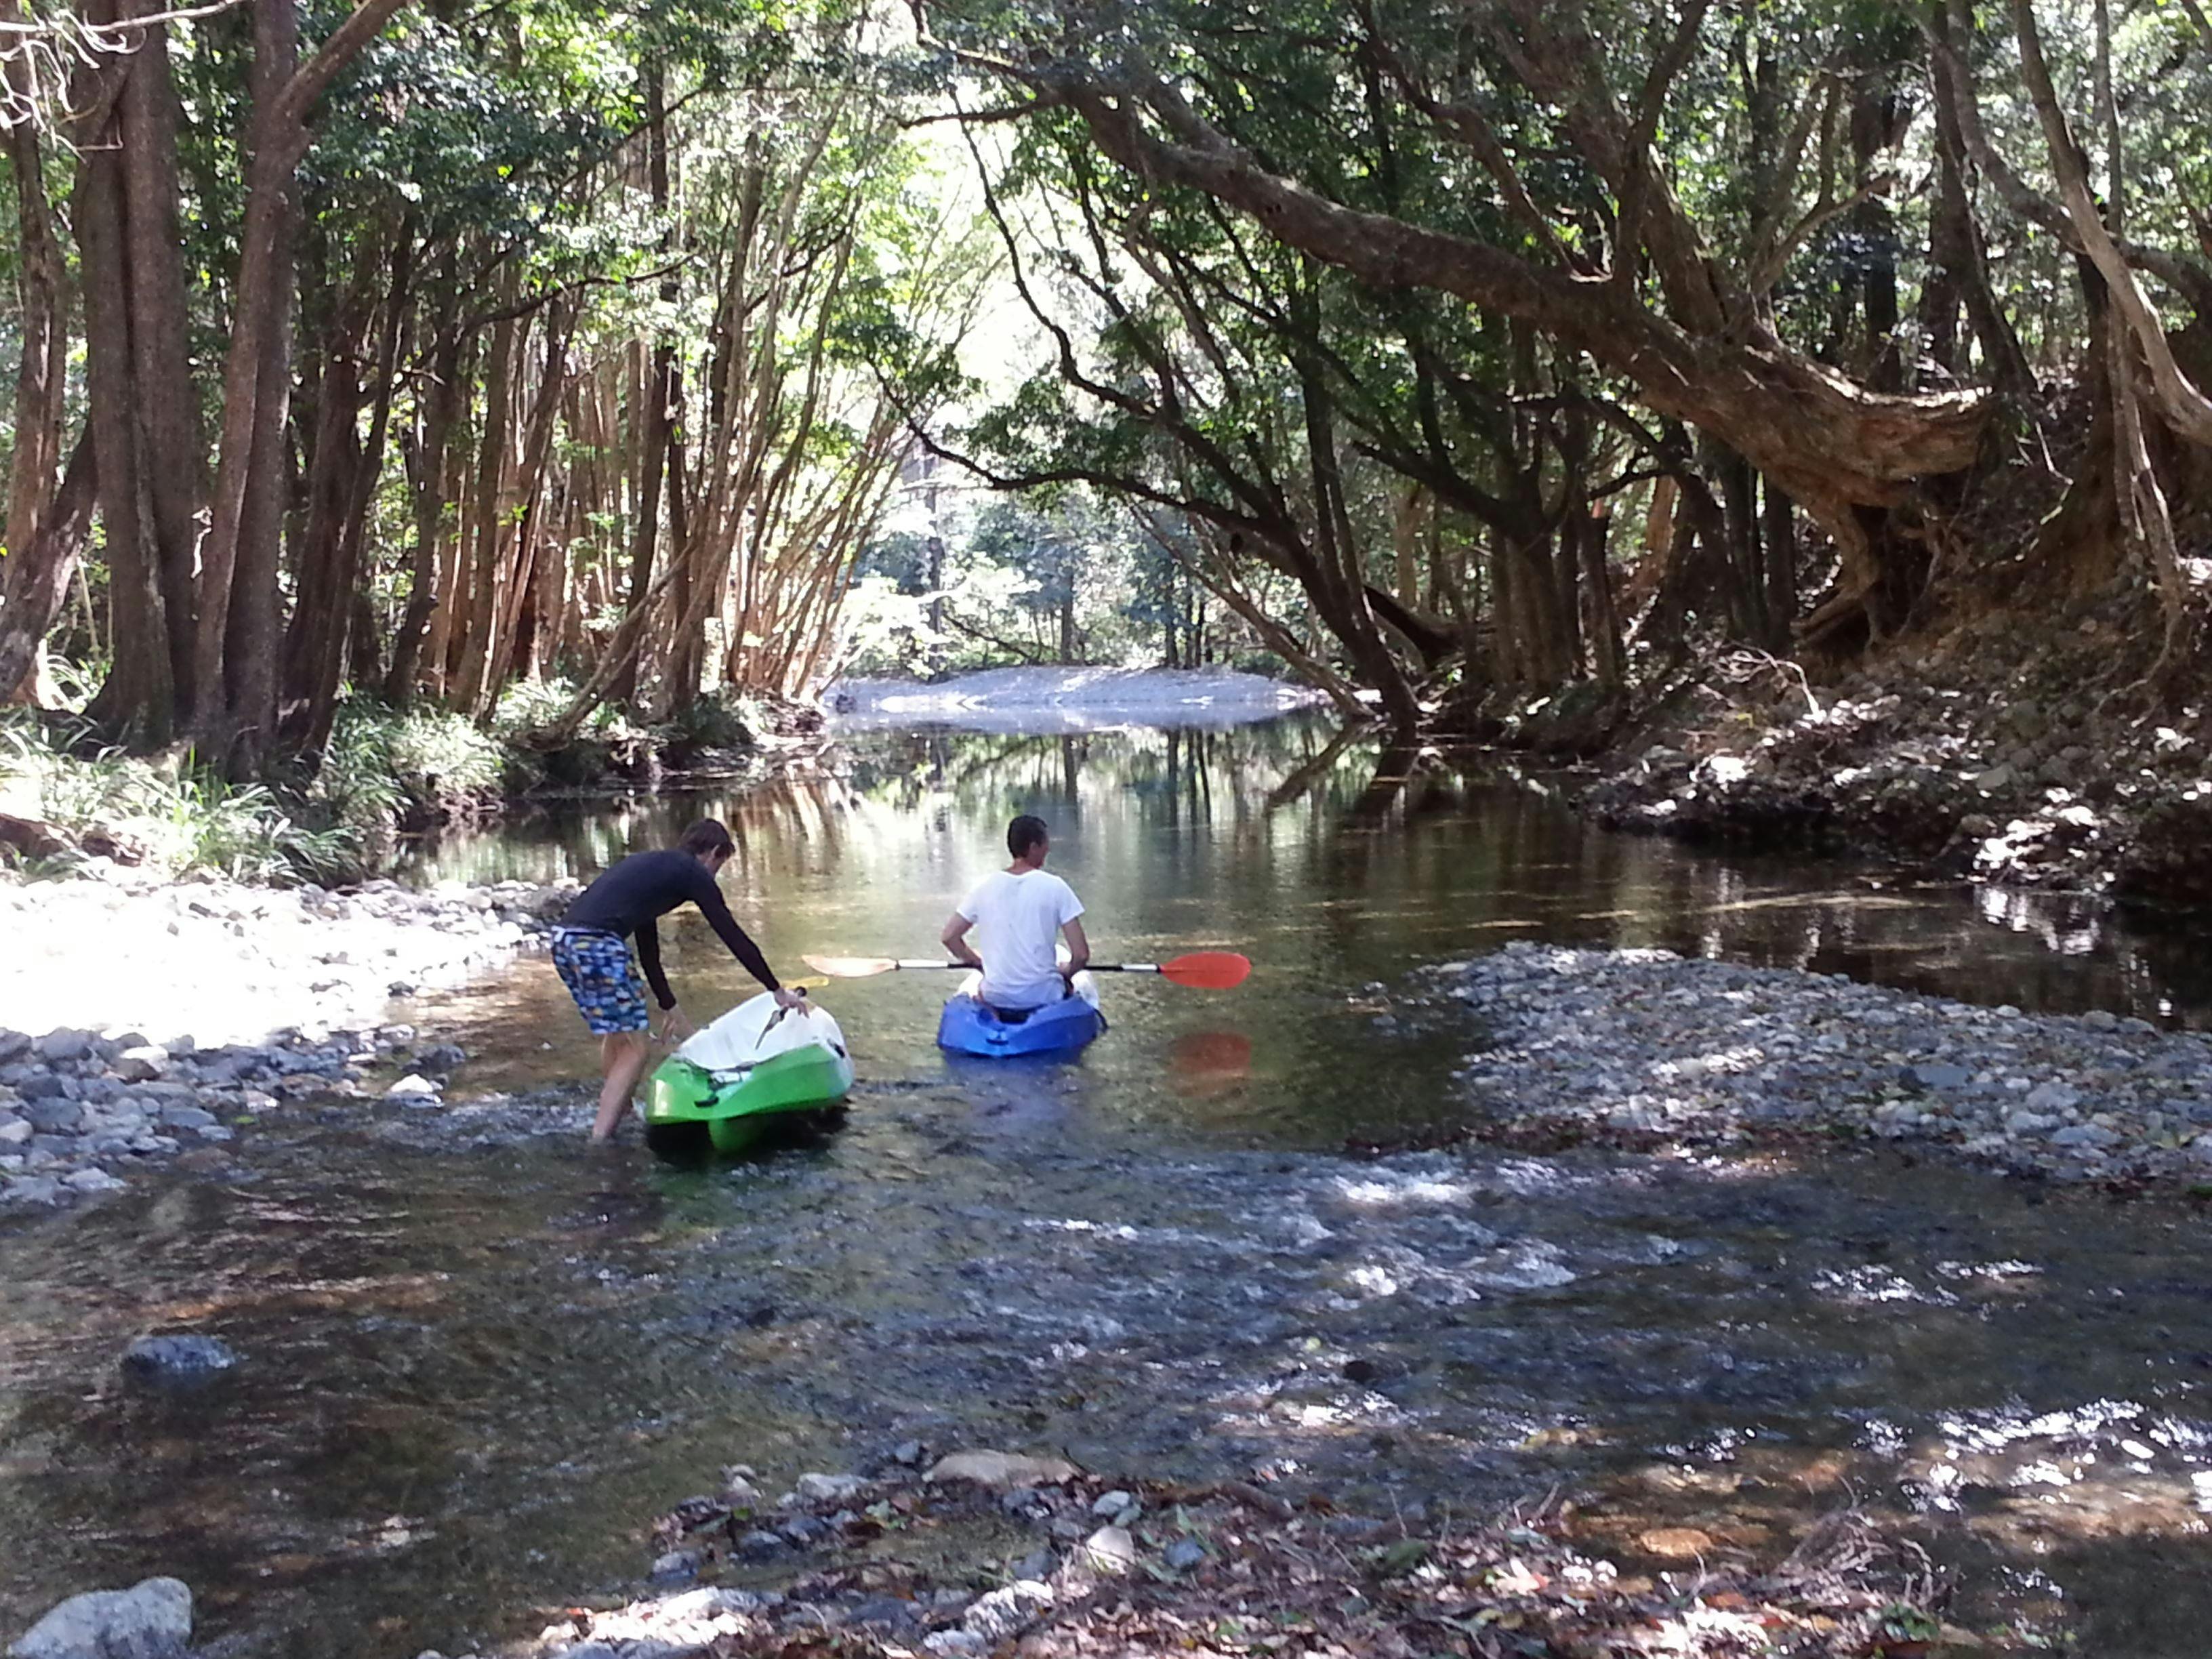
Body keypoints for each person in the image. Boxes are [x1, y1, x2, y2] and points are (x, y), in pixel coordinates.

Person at [552, 818, 806, 1141]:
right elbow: (731, 934)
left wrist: (670, 1006)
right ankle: (600, 1140)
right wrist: (776, 990)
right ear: (714, 852)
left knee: (618, 1033)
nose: (715, 874)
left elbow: (649, 955)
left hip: (563, 941)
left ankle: (620, 1108)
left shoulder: (654, 871)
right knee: (637, 1048)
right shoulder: (691, 872)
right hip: (597, 944)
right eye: (719, 865)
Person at [941, 815, 1090, 1010]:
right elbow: (1081, 955)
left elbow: (949, 937)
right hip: (1044, 996)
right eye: (1045, 844)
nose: (1048, 849)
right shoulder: (1056, 887)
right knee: (1069, 990)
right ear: (1034, 847)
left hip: (995, 997)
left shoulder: (984, 887)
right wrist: (1067, 972)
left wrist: (978, 963)